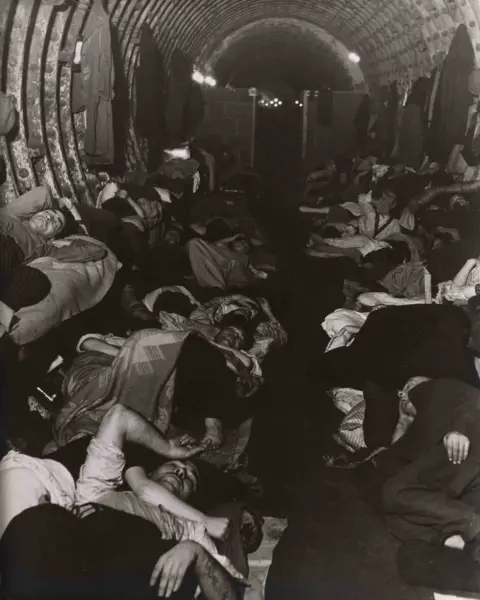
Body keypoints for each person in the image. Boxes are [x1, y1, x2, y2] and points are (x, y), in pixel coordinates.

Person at [380, 377, 480, 595]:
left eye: (403, 392)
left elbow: (473, 399)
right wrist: (402, 420)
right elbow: (397, 454)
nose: (402, 397)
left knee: (394, 494)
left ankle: (466, 525)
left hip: (464, 446)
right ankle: (457, 535)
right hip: (463, 477)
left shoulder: (430, 389)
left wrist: (459, 430)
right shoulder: (421, 423)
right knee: (398, 517)